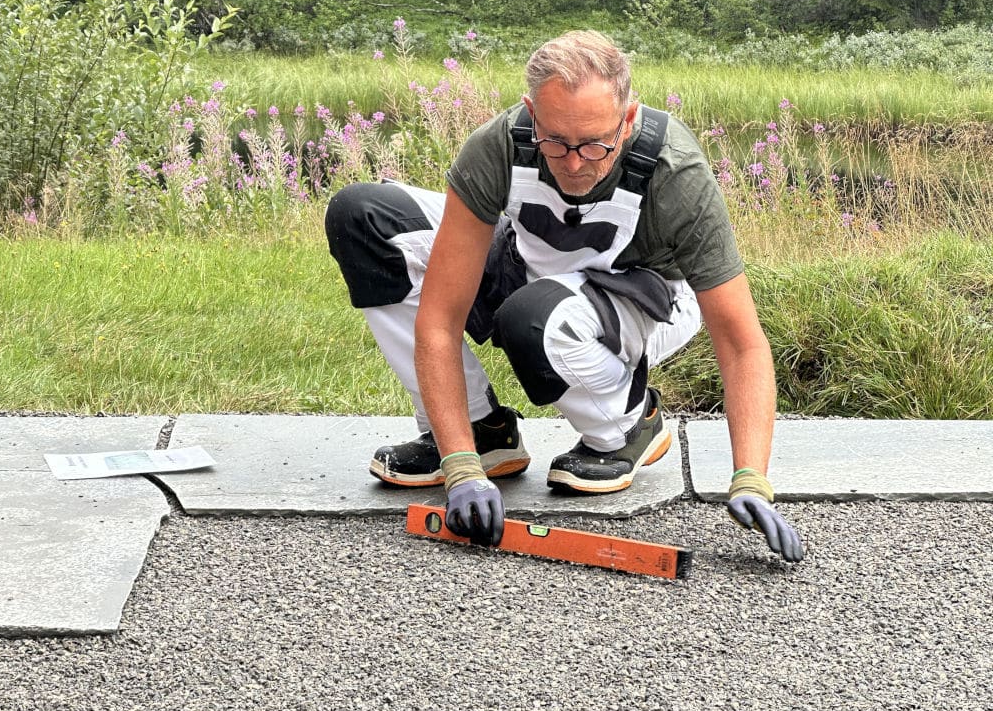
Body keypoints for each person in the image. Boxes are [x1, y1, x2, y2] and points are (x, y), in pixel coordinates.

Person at [326, 30, 803, 563]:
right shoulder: (499, 144)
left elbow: (741, 343)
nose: (574, 163)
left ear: (627, 119)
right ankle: (480, 433)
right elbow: (440, 318)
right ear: (531, 113)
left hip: (644, 296)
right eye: (555, 142)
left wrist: (750, 477)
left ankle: (625, 428)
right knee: (363, 217)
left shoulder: (676, 173)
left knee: (531, 317)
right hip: (529, 257)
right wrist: (461, 465)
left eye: (596, 144)